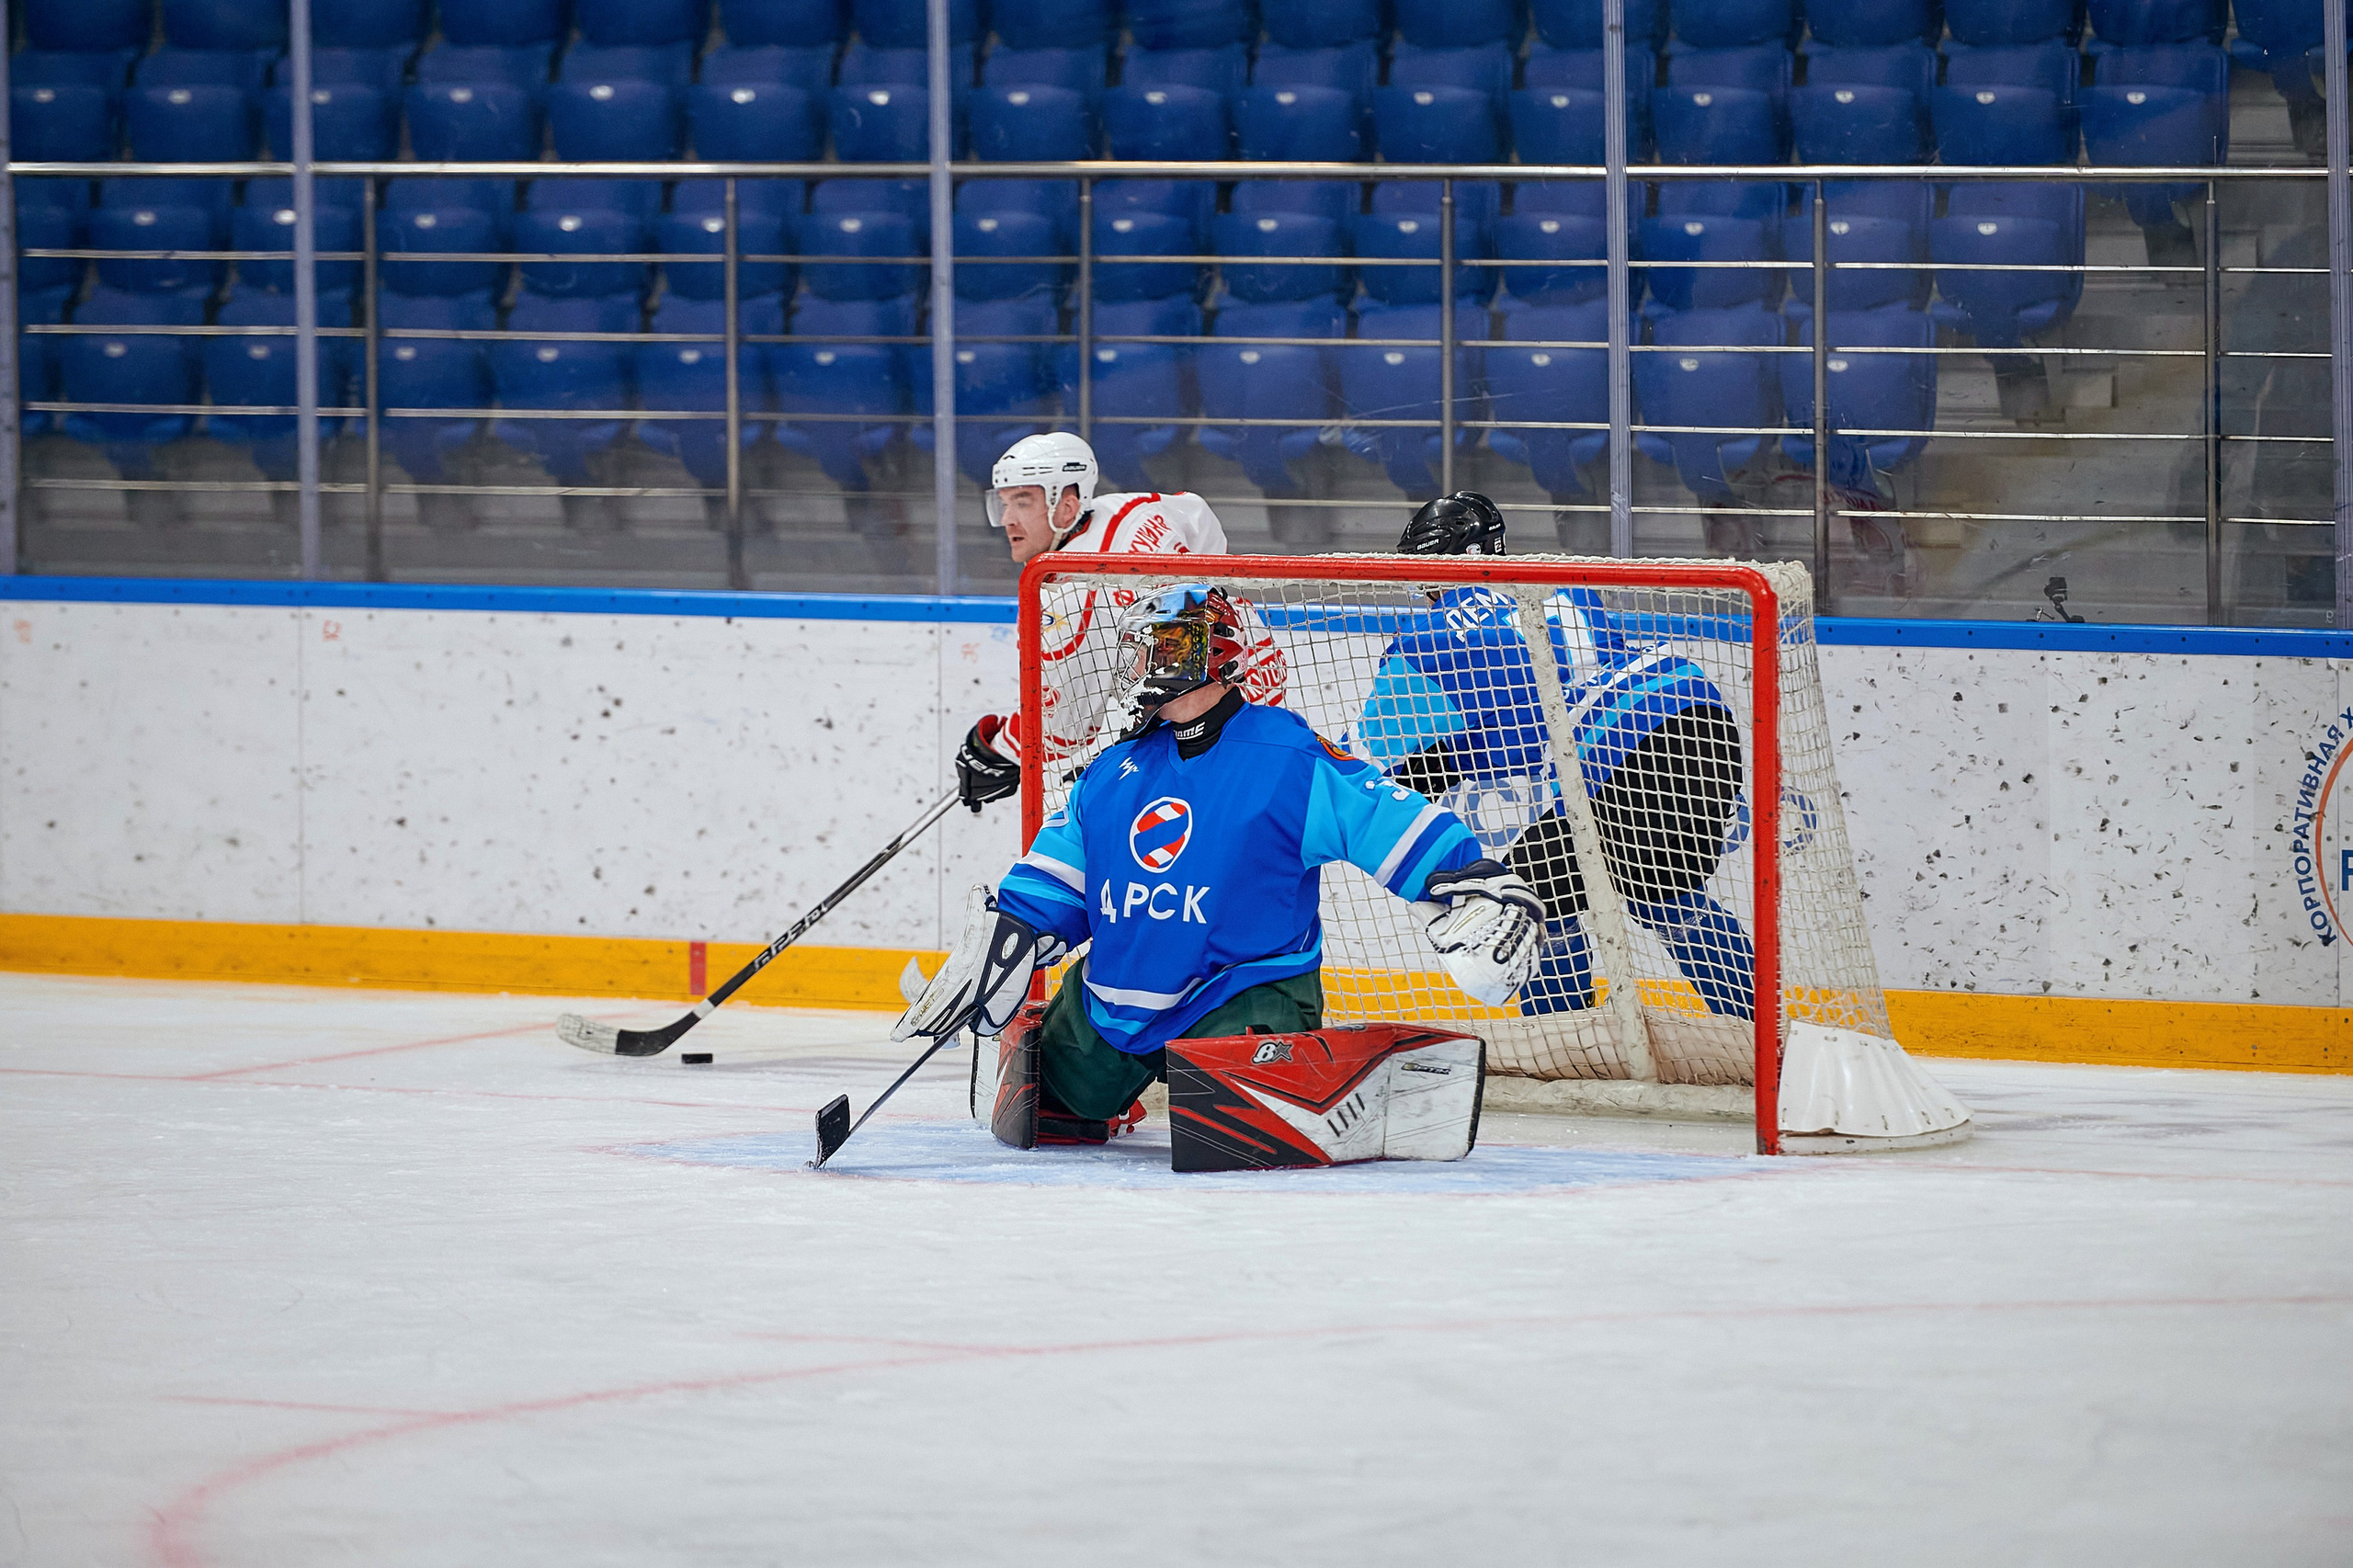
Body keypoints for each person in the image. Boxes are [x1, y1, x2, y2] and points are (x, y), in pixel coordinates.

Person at [899, 585, 1545, 1144]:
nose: (1148, 661)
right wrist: (1008, 935)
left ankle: (1320, 1074)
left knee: (1229, 1136)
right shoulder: (1114, 768)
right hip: (1113, 1003)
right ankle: (1071, 1051)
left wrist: (1473, 881)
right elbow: (1057, 876)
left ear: (1215, 652)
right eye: (1143, 647)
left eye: (1167, 645)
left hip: (1238, 998)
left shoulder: (1287, 753)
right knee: (1045, 1119)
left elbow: (1387, 820)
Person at [1354, 493, 1756, 1020]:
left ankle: (1563, 1039)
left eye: (1424, 563)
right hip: (1697, 710)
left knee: (1540, 894)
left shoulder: (1424, 638)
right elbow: (1538, 712)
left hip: (1618, 749)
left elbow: (1378, 761)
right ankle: (1762, 1027)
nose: (1419, 582)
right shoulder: (1557, 582)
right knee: (1660, 893)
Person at [953, 432, 1283, 813]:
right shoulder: (1136, 507)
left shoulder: (1069, 595)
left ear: (1066, 506)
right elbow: (1199, 515)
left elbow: (1066, 729)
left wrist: (998, 750)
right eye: (1003, 504)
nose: (1006, 519)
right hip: (1262, 681)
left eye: (1023, 502)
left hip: (1209, 737)